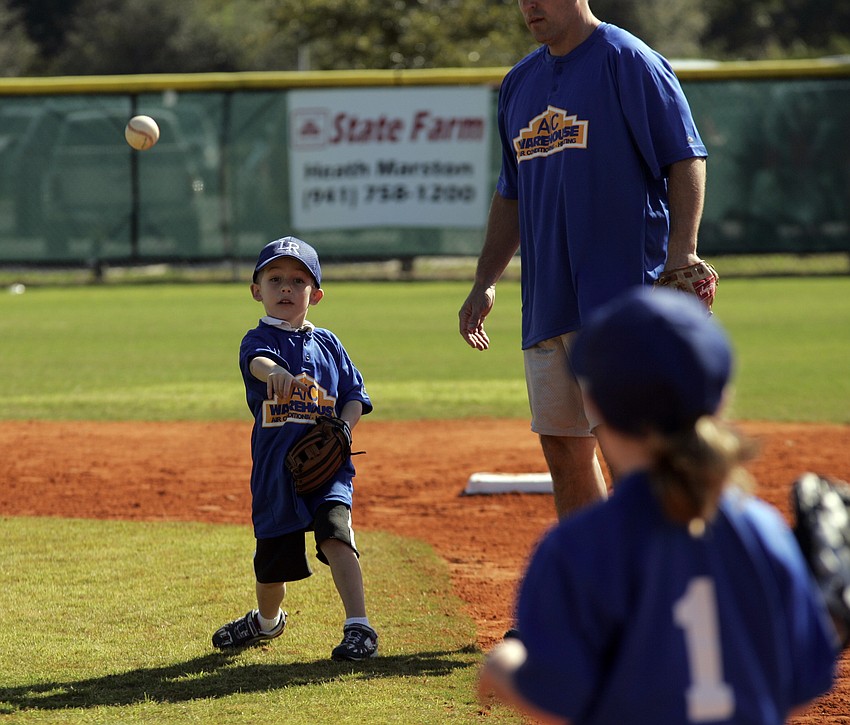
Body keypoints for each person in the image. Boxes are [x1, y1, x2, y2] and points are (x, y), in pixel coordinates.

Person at [477, 287, 841, 724]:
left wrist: (504, 667)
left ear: (593, 403)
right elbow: (799, 686)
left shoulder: (578, 546)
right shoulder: (765, 532)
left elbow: (555, 701)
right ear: (721, 399)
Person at [458, 0, 711, 519]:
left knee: (629, 446)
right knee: (563, 449)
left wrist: (682, 250)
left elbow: (684, 155)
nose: (529, 5)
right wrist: (486, 279)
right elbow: (511, 194)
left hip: (621, 297)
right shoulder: (518, 83)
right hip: (547, 302)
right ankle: (598, 578)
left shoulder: (628, 59)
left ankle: (656, 575)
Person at [212, 236, 378, 662]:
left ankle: (359, 628)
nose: (286, 288)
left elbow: (354, 395)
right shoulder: (258, 340)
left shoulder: (328, 344)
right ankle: (267, 622)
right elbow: (257, 363)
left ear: (315, 294)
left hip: (328, 469)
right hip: (276, 472)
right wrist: (276, 374)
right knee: (272, 565)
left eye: (298, 280)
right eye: (275, 278)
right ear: (257, 291)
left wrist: (345, 426)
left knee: (336, 535)